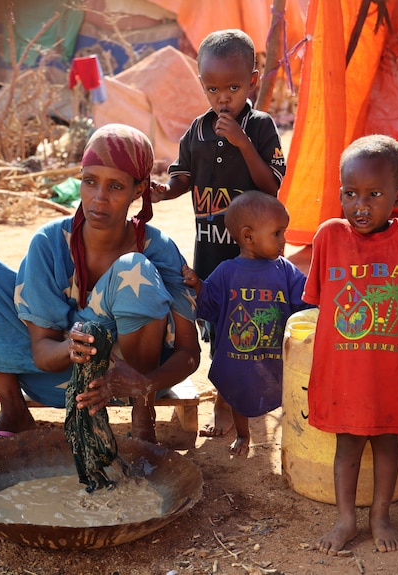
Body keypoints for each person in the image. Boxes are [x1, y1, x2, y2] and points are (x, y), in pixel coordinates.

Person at [0, 123, 201, 444]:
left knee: (135, 271)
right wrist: (71, 346)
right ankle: (14, 410)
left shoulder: (157, 248)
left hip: (129, 383)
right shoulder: (50, 242)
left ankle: (143, 420)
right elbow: (42, 352)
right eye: (90, 182)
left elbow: (189, 353)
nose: (98, 198)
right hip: (57, 380)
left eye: (115, 186)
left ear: (139, 190)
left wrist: (144, 385)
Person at [151, 28, 287, 438]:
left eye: (233, 87)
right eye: (213, 89)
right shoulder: (197, 130)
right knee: (218, 332)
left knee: (250, 328)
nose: (223, 97)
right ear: (202, 86)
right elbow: (183, 176)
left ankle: (249, 400)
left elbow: (272, 187)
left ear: (253, 81)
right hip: (211, 253)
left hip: (252, 257)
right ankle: (228, 405)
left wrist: (244, 143)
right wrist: (164, 191)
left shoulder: (260, 127)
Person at [302, 134, 398, 554]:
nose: (360, 205)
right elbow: (324, 303)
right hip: (344, 372)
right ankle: (346, 520)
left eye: (375, 194)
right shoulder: (328, 236)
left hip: (386, 371)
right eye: (350, 193)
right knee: (347, 447)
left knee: (386, 442)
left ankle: (381, 515)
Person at [182, 192, 311, 456]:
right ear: (248, 236)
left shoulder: (284, 270)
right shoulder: (227, 271)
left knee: (285, 393)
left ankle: (294, 438)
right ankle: (243, 435)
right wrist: (198, 286)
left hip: (273, 354)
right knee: (237, 396)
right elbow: (209, 307)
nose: (283, 241)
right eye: (277, 233)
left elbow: (305, 301)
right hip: (236, 355)